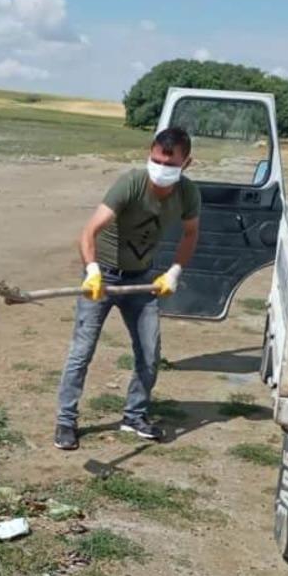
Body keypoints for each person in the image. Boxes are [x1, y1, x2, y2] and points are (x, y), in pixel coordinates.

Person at [54, 126, 200, 450]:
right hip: (102, 277)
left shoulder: (188, 194)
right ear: (150, 153)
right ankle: (65, 421)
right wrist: (92, 271)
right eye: (156, 159)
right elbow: (89, 231)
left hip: (141, 280)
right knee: (82, 351)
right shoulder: (130, 184)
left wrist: (174, 271)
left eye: (170, 163)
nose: (161, 168)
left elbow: (190, 234)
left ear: (186, 163)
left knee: (150, 352)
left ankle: (134, 416)